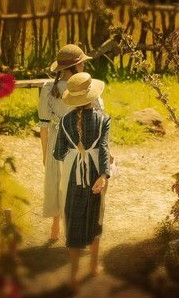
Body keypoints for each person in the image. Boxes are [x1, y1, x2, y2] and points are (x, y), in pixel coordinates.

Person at [38, 44, 103, 241]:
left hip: (56, 141)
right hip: (80, 141)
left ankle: (56, 225)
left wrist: (44, 153)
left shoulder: (49, 88)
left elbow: (43, 124)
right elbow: (98, 119)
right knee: (78, 183)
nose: (84, 66)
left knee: (57, 181)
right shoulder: (88, 87)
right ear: (76, 67)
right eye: (82, 63)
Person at [53, 72, 111, 292]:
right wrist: (104, 175)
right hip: (96, 175)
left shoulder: (65, 121)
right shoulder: (103, 119)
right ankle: (94, 267)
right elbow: (104, 149)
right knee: (96, 219)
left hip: (73, 177)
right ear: (91, 96)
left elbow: (59, 154)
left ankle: (73, 277)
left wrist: (74, 150)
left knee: (74, 221)